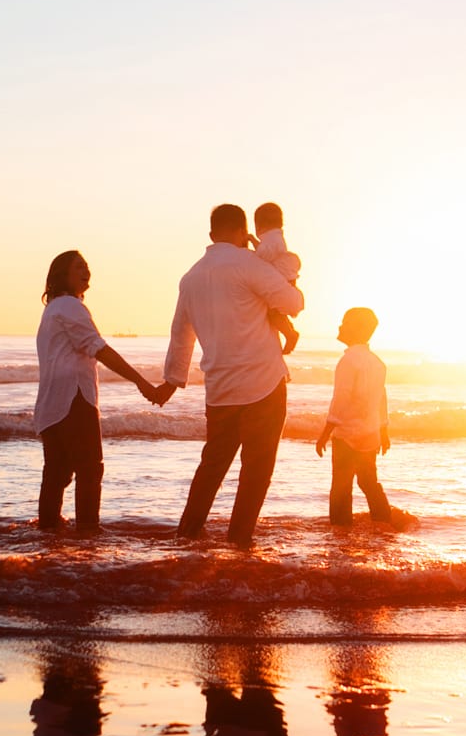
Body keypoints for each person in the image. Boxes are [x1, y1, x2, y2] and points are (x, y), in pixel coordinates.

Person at [162, 204, 306, 545]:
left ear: (211, 235)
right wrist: (292, 281)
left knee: (212, 467)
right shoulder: (249, 264)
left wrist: (172, 380)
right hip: (263, 384)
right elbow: (293, 304)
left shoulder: (191, 277)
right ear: (244, 233)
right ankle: (239, 540)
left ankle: (187, 535)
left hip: (221, 388)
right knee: (255, 471)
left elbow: (180, 334)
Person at [35, 251, 170, 535]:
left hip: (50, 405)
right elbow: (100, 349)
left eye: (87, 266)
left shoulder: (52, 310)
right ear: (63, 274)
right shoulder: (71, 306)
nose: (86, 271)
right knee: (90, 469)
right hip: (74, 399)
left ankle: (48, 532)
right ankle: (88, 531)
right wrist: (141, 382)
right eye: (79, 267)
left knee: (57, 472)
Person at [315, 306, 411, 527]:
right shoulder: (378, 363)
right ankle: (383, 519)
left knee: (341, 486)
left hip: (347, 434)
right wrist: (383, 431)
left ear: (356, 330)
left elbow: (341, 398)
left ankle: (341, 529)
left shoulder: (348, 362)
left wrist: (325, 433)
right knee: (368, 481)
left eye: (344, 323)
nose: (340, 326)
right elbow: (381, 398)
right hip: (369, 435)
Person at [250, 202, 302, 355]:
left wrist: (252, 241)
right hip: (285, 276)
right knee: (276, 313)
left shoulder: (272, 238)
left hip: (283, 277)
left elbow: (263, 255)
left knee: (274, 313)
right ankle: (289, 331)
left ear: (259, 226)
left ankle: (289, 334)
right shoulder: (275, 237)